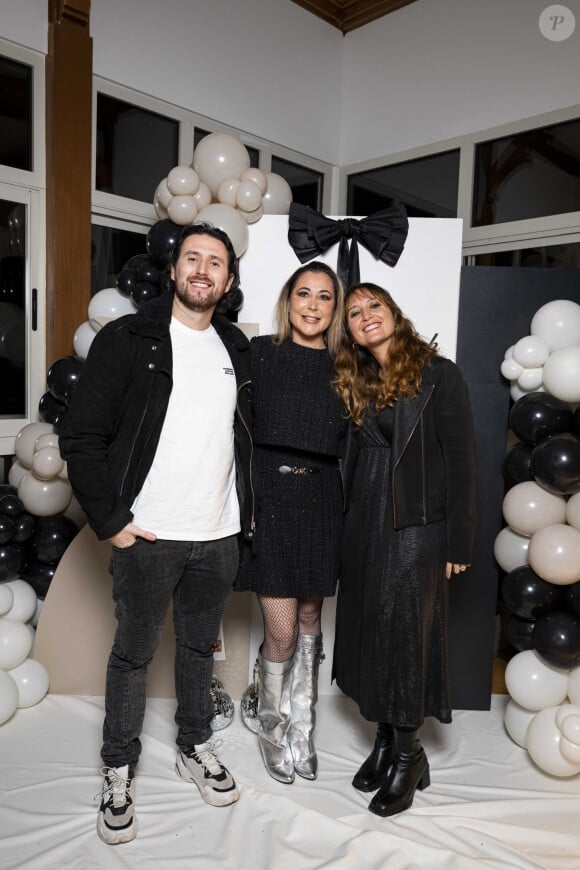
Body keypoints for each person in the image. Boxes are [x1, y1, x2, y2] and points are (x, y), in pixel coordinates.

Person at [59, 223, 254, 845]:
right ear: (172, 271)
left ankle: (195, 745)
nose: (202, 269)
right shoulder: (129, 338)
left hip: (219, 534)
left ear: (227, 281)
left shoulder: (236, 348)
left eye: (215, 262)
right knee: (134, 654)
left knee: (199, 651)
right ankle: (118, 766)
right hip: (147, 536)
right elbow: (81, 437)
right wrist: (112, 522)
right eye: (191, 258)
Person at [332, 282, 476, 817]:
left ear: (393, 312)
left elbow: (462, 459)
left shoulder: (439, 373)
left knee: (404, 635)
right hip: (364, 518)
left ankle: (410, 754)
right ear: (347, 329)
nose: (366, 316)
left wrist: (459, 538)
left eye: (374, 306)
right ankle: (388, 740)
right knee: (372, 629)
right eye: (354, 313)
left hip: (415, 523)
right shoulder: (356, 377)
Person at [236, 262, 346, 783]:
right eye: (304, 293)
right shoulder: (258, 355)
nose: (312, 305)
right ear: (288, 300)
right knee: (279, 630)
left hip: (322, 499)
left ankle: (304, 727)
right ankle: (271, 723)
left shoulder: (348, 366)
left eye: (324, 297)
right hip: (270, 499)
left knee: (309, 623)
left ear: (334, 309)